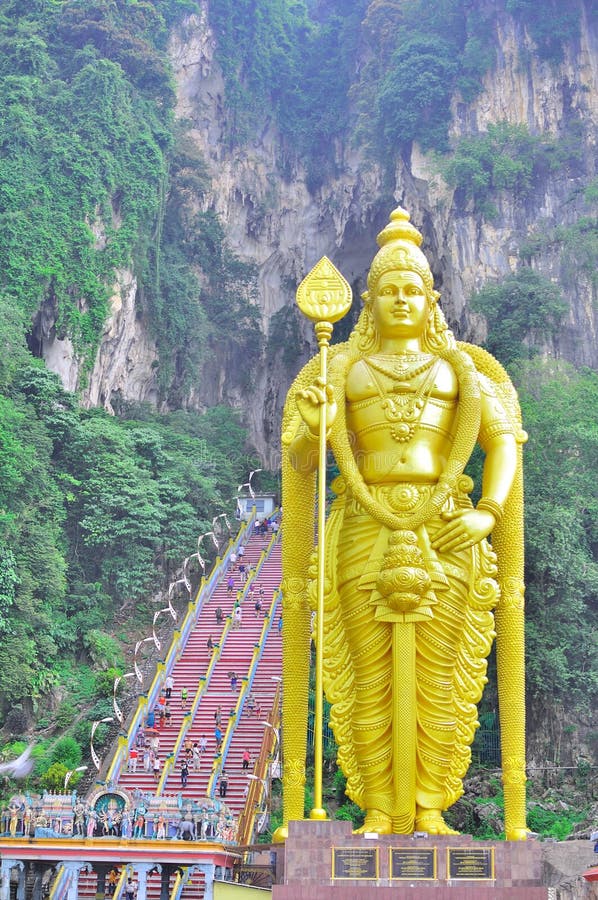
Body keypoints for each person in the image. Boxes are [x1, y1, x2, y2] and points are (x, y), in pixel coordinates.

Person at [280, 207, 526, 838]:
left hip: (445, 525)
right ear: (368, 300)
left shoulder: (462, 371)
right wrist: (314, 424)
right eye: (388, 290)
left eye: (412, 290)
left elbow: (505, 443)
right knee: (365, 675)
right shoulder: (341, 371)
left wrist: (486, 514)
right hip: (364, 523)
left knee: (442, 677)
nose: (400, 300)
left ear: (431, 298)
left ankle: (430, 806)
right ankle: (378, 808)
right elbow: (304, 458)